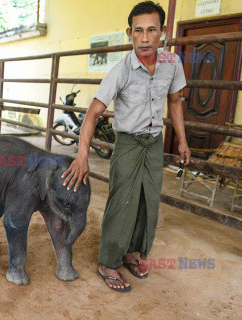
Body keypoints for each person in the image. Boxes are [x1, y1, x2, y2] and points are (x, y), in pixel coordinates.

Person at [62, 1, 191, 292]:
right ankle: (108, 262)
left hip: (154, 144)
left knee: (147, 203)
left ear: (163, 32)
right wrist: (82, 156)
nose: (145, 38)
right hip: (128, 144)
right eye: (138, 31)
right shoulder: (121, 70)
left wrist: (182, 140)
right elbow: (93, 113)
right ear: (129, 33)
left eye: (151, 30)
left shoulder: (172, 63)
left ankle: (131, 253)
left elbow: (174, 102)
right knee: (122, 203)